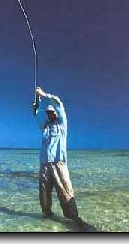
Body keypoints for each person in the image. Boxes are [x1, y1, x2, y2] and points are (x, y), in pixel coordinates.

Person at [33, 86, 84, 226]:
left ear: (56, 113)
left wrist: (43, 94)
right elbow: (35, 113)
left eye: (51, 112)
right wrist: (37, 98)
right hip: (44, 163)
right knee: (43, 191)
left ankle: (73, 218)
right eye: (48, 112)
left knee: (65, 190)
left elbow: (58, 102)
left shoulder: (62, 124)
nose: (49, 114)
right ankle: (47, 214)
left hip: (58, 162)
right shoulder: (45, 126)